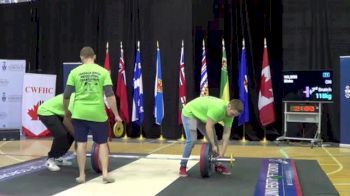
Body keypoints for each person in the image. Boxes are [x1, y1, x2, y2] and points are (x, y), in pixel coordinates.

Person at [63, 46, 122, 184]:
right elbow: (110, 95)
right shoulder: (103, 72)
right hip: (97, 114)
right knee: (102, 143)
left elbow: (66, 95)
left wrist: (67, 112)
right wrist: (116, 115)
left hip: (79, 113)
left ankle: (82, 175)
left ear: (81, 58)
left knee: (81, 143)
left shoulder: (74, 72)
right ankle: (105, 174)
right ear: (94, 57)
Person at [179, 96, 243, 177]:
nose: (232, 116)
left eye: (235, 115)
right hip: (191, 115)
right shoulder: (218, 109)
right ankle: (183, 166)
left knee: (214, 138)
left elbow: (226, 134)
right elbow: (208, 127)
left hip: (203, 117)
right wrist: (213, 145)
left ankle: (218, 164)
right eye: (232, 114)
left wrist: (222, 153)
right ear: (229, 106)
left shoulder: (230, 115)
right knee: (192, 139)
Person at [38, 94, 75, 172]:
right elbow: (66, 120)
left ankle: (58, 157)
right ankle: (50, 160)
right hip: (46, 111)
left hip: (58, 113)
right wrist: (77, 136)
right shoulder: (74, 99)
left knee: (71, 135)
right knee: (61, 134)